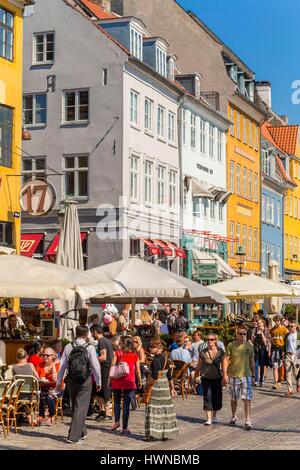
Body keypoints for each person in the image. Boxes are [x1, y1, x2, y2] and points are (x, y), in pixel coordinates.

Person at [57, 326, 101, 444]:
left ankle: (82, 432)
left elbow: (62, 365)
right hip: (85, 380)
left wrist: (58, 382)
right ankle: (73, 437)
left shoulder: (68, 346)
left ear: (75, 334)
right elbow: (95, 366)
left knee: (76, 406)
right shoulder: (90, 347)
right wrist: (98, 381)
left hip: (71, 380)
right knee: (80, 407)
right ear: (86, 334)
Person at [144, 338, 178, 441]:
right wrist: (172, 388)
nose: (150, 349)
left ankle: (152, 435)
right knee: (164, 411)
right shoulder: (166, 359)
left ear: (158, 348)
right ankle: (164, 434)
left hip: (156, 388)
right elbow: (169, 376)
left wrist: (147, 384)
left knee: (154, 411)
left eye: (151, 347)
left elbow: (154, 376)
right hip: (165, 388)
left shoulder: (155, 360)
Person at [223, 324, 255, 431]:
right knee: (234, 398)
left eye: (244, 334)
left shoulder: (249, 346)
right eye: (240, 334)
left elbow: (251, 361)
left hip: (246, 376)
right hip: (233, 375)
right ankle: (234, 415)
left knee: (247, 399)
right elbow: (226, 360)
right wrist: (225, 374)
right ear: (236, 334)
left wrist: (254, 375)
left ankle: (247, 421)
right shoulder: (231, 345)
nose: (242, 336)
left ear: (247, 334)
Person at [110, 337, 142, 434]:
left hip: (117, 380)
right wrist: (140, 380)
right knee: (126, 405)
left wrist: (109, 379)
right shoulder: (135, 355)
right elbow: (137, 370)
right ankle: (125, 427)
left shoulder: (118, 353)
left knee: (116, 402)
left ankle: (116, 422)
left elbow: (112, 366)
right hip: (129, 381)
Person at [194, 332, 225, 425]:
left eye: (212, 339)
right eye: (208, 339)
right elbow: (199, 366)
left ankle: (214, 416)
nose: (209, 341)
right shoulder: (203, 352)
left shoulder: (220, 351)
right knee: (207, 397)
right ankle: (209, 418)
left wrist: (225, 375)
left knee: (217, 398)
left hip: (217, 377)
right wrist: (195, 377)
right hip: (206, 377)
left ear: (216, 341)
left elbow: (224, 364)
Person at [90, 325, 114, 421]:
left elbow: (103, 357)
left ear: (95, 332)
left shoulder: (101, 341)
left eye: (92, 332)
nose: (92, 335)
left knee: (105, 390)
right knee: (97, 391)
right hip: (105, 368)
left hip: (105, 368)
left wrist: (92, 360)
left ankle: (108, 414)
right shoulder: (106, 340)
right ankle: (102, 411)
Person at [36, 347, 60, 424]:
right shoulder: (40, 365)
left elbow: (55, 380)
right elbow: (37, 378)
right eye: (44, 355)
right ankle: (41, 415)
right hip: (43, 387)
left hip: (56, 388)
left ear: (53, 356)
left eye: (47, 355)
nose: (45, 357)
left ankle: (51, 415)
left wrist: (53, 367)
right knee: (39, 394)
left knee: (49, 397)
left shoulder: (57, 366)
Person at [269, 314, 289, 390]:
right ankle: (276, 382)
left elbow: (287, 340)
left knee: (280, 366)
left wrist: (285, 350)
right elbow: (270, 338)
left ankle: (280, 380)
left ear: (280, 321)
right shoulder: (272, 330)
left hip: (281, 349)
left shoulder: (284, 329)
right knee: (275, 366)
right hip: (274, 349)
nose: (276, 322)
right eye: (275, 321)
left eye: (277, 321)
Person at [284, 317, 300, 395]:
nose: (290, 328)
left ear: (295, 326)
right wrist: (284, 353)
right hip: (288, 355)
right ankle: (290, 390)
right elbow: (285, 345)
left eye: (292, 326)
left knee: (296, 373)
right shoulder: (287, 335)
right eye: (289, 326)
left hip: (296, 355)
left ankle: (298, 384)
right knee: (288, 373)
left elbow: (299, 346)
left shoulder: (298, 335)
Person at [252, 319, 269, 386]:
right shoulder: (254, 330)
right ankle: (256, 380)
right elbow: (252, 341)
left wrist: (261, 333)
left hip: (262, 348)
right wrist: (253, 337)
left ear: (263, 324)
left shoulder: (266, 330)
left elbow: (265, 342)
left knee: (262, 365)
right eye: (258, 323)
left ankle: (261, 380)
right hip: (256, 348)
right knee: (256, 364)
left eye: (260, 323)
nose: (258, 324)